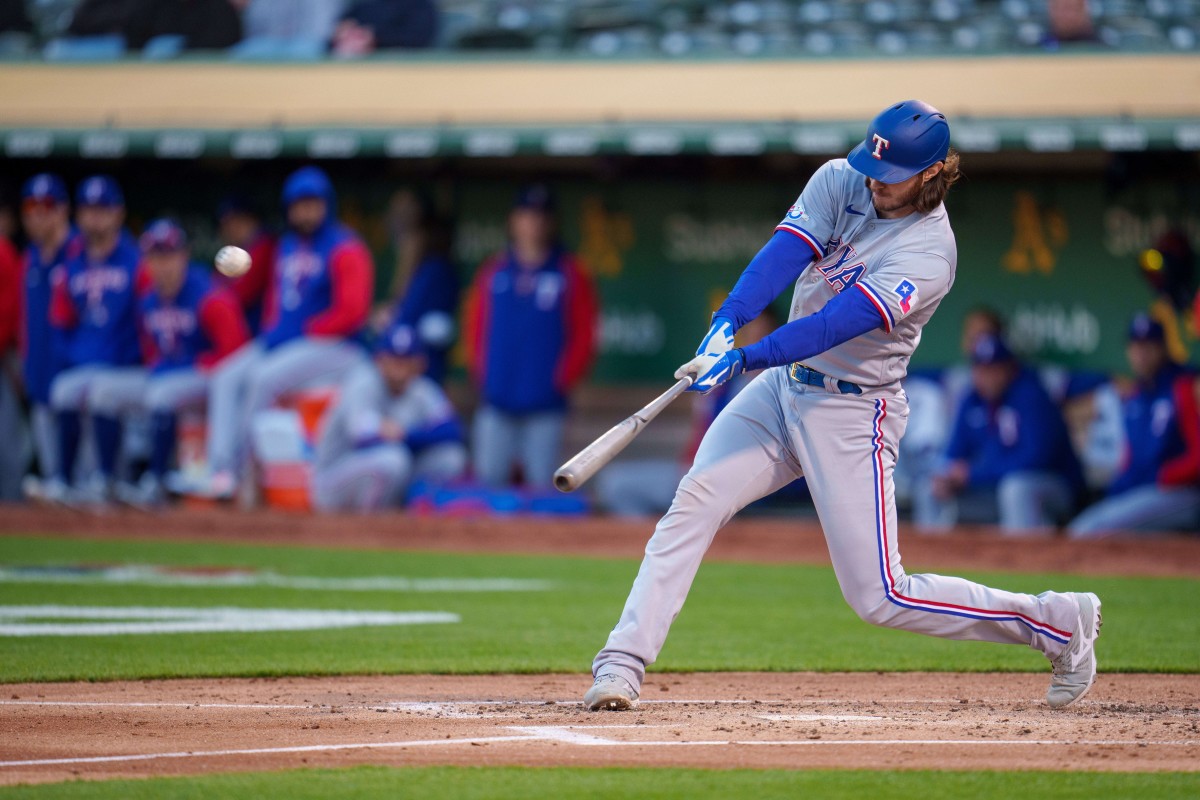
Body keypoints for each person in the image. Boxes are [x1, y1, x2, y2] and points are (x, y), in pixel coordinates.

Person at [582, 100, 1101, 714]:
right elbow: (783, 253)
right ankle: (621, 664)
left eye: (896, 172)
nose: (877, 181)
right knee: (693, 502)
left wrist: (745, 358)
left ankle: (1055, 622)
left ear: (932, 173)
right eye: (874, 165)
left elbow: (834, 326)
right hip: (784, 391)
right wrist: (728, 322)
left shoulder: (931, 254)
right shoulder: (840, 179)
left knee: (881, 597)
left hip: (855, 412)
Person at [179, 166, 373, 500]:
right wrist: (275, 333)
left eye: (313, 203)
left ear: (327, 204)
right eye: (299, 204)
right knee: (225, 377)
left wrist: (304, 331)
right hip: (286, 343)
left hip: (336, 348)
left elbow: (352, 312)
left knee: (261, 379)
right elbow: (276, 303)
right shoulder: (286, 246)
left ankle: (237, 473)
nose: (306, 211)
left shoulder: (345, 246)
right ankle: (218, 468)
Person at [86, 219, 251, 507]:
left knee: (161, 394)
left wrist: (191, 363)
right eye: (155, 257)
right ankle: (105, 481)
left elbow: (236, 352)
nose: (163, 265)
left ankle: (156, 482)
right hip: (172, 377)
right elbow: (151, 353)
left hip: (208, 377)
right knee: (104, 391)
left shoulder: (208, 295)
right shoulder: (148, 301)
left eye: (169, 255)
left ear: (183, 256)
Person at [463, 184, 599, 488]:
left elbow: (585, 335)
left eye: (541, 216)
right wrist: (485, 376)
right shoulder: (494, 270)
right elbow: (475, 329)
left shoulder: (569, 272)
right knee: (488, 485)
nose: (533, 223)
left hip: (545, 405)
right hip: (496, 401)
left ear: (551, 222)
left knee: (543, 489)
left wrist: (560, 381)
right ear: (513, 220)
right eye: (526, 215)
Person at [595, 310, 776, 518]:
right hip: (696, 473)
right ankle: (655, 543)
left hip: (740, 482)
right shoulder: (724, 384)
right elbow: (700, 439)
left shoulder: (778, 387)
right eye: (749, 335)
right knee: (616, 484)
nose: (753, 342)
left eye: (760, 336)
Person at [33, 176, 145, 506]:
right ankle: (63, 481)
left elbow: (148, 319)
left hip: (124, 366)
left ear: (118, 214)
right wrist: (72, 355)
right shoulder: (72, 263)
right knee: (63, 390)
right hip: (84, 363)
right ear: (79, 215)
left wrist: (129, 355)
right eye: (89, 210)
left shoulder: (135, 260)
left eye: (103, 210)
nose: (96, 218)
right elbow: (60, 320)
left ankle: (105, 479)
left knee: (102, 392)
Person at [921, 333, 1083, 535]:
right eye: (982, 368)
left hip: (1053, 488)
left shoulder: (1031, 397)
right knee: (930, 488)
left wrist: (973, 474)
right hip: (992, 488)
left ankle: (1025, 560)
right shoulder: (971, 399)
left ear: (1010, 368)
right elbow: (954, 453)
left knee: (1015, 489)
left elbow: (1034, 460)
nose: (988, 376)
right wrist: (947, 476)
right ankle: (932, 562)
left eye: (994, 368)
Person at [1067, 314, 1200, 537]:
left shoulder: (1184, 387)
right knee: (1080, 528)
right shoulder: (1135, 395)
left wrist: (1164, 476)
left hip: (1182, 493)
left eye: (1148, 347)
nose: (1141, 355)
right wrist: (1119, 488)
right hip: (1146, 491)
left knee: (1091, 531)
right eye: (1136, 347)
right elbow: (1131, 457)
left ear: (1162, 349)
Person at [312, 322, 467, 513]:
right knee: (393, 459)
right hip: (333, 479)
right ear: (379, 359)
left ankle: (406, 514)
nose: (398, 367)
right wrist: (401, 435)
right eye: (393, 359)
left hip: (386, 467)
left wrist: (405, 435)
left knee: (450, 457)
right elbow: (361, 437)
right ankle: (369, 524)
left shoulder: (421, 388)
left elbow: (453, 429)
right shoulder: (363, 382)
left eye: (405, 359)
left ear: (419, 363)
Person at [16, 174, 77, 488]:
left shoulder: (79, 252)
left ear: (62, 209)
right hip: (39, 373)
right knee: (54, 481)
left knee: (85, 479)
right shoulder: (30, 258)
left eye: (46, 206)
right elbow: (26, 318)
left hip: (73, 378)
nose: (38, 215)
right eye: (31, 207)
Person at [383, 202, 458, 384]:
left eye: (413, 235)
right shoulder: (423, 268)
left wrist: (391, 318)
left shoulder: (434, 269)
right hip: (412, 364)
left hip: (422, 362)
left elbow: (409, 315)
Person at [215, 194, 277, 333]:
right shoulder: (235, 250)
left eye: (238, 221)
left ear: (252, 221)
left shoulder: (265, 247)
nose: (232, 228)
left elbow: (241, 294)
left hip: (260, 330)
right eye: (227, 223)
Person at [331, 0, 438, 56]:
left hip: (398, 69)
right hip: (351, 63)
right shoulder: (365, 5)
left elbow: (418, 38)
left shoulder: (420, 6)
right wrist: (346, 33)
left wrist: (374, 38)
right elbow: (342, 27)